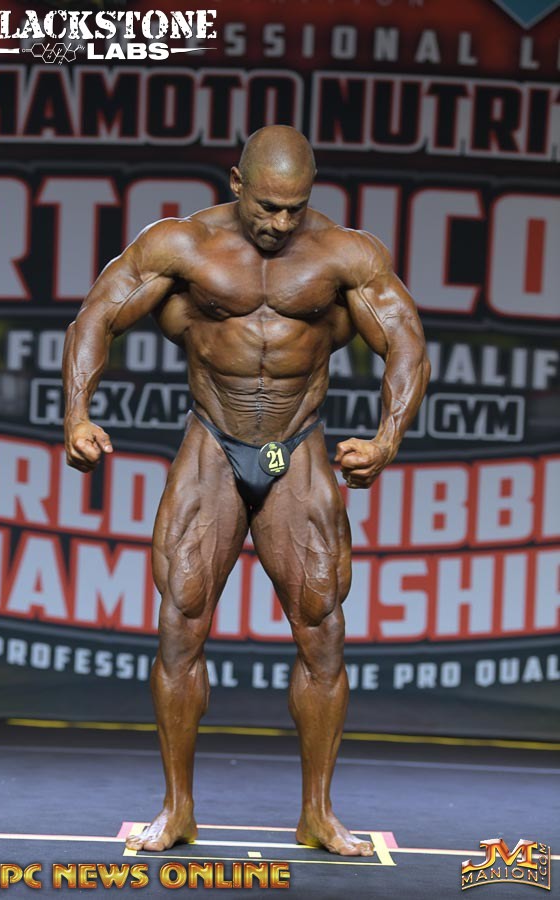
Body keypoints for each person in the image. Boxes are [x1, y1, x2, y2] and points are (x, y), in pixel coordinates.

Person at [63, 125, 430, 857]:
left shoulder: (344, 255)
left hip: (298, 443)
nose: (280, 222)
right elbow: (96, 314)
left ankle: (318, 814)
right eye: (267, 206)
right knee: (181, 623)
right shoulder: (182, 246)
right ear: (237, 183)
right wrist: (76, 414)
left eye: (294, 208)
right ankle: (177, 809)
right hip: (213, 439)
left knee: (322, 631)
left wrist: (387, 438)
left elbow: (406, 340)